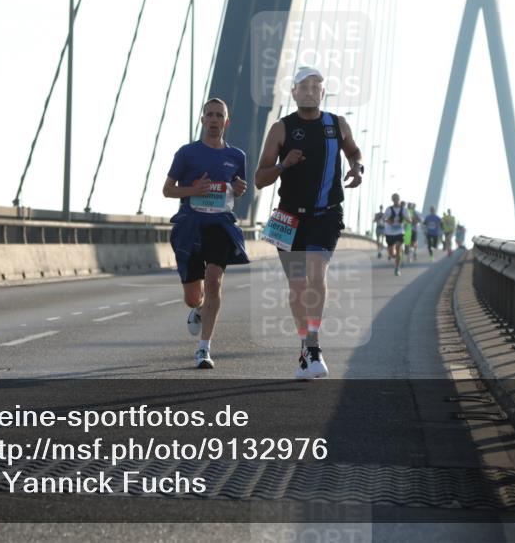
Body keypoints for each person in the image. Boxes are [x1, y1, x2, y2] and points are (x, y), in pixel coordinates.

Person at [255, 66, 363, 380]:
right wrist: (284, 164)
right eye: (304, 87)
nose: (310, 91)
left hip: (327, 214)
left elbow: (355, 152)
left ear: (322, 92)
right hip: (288, 217)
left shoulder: (337, 124)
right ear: (293, 93)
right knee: (297, 286)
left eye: (316, 86)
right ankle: (305, 342)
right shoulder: (281, 129)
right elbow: (260, 178)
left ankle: (313, 345)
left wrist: (358, 168)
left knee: (316, 274)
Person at [163, 98, 249, 369]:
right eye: (209, 115)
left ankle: (204, 348)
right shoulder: (186, 153)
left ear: (227, 121)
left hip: (220, 226)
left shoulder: (237, 157)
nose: (214, 120)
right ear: (202, 120)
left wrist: (239, 189)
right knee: (193, 296)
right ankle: (198, 309)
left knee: (213, 280)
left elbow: (237, 191)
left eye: (219, 115)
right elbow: (167, 190)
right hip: (190, 226)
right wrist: (193, 191)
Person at [382, 194, 408, 276]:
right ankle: (394, 256)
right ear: (392, 200)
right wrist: (388, 221)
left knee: (398, 249)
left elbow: (408, 218)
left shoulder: (403, 209)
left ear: (399, 199)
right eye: (394, 199)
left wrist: (409, 220)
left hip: (400, 232)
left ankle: (397, 268)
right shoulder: (389, 209)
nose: (396, 200)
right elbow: (384, 218)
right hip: (389, 232)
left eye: (397, 199)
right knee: (392, 254)